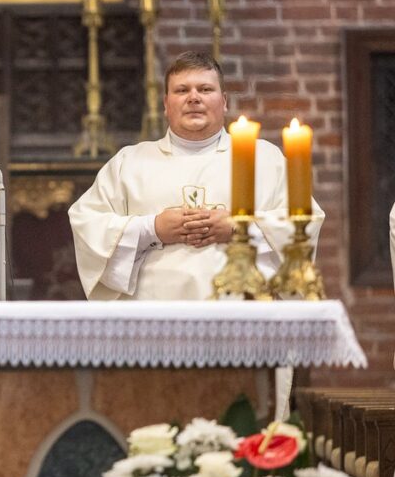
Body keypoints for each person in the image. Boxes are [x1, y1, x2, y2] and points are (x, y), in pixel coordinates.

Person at [68, 51, 324, 301]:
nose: (194, 98)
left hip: (243, 314)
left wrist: (239, 227)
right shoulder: (129, 162)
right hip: (154, 318)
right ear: (166, 104)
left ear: (224, 101)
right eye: (182, 90)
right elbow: (87, 224)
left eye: (205, 89)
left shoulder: (266, 160)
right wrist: (152, 229)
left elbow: (303, 223)